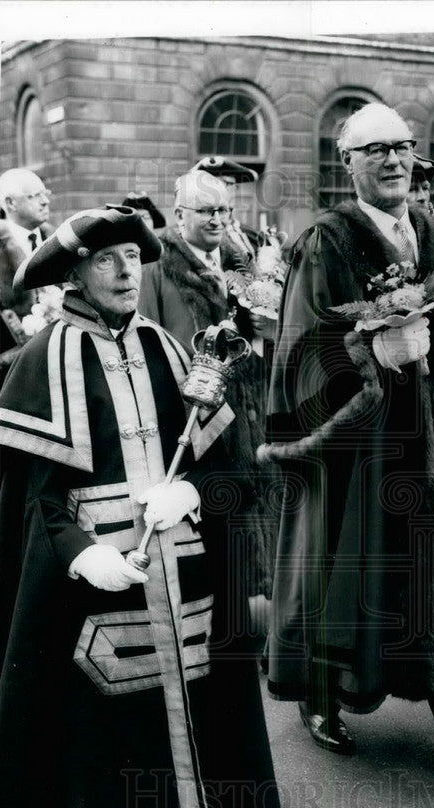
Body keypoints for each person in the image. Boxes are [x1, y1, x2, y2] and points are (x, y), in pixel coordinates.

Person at [0, 205, 281, 808]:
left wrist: (188, 492)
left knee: (191, 690)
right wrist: (77, 553)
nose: (127, 271)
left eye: (133, 257)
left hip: (181, 566)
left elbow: (229, 468)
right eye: (106, 260)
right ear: (76, 273)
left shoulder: (170, 347)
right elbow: (31, 500)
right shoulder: (44, 356)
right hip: (99, 575)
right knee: (112, 706)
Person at [260, 102, 434, 800]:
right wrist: (373, 349)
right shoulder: (326, 240)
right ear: (346, 164)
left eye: (403, 148)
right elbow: (297, 356)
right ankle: (322, 698)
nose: (392, 161)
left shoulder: (433, 233)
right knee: (349, 583)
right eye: (375, 150)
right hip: (363, 457)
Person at [138, 161, 279, 640]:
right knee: (214, 525)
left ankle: (259, 629)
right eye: (206, 211)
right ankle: (221, 632)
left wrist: (263, 333)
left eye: (225, 209)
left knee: (256, 517)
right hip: (193, 418)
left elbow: (266, 334)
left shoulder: (243, 260)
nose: (219, 219)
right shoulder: (155, 265)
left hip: (251, 412)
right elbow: (148, 342)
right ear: (180, 216)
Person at [0, 168, 53, 380]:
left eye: (45, 193)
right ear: (10, 203)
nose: (45, 202)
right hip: (13, 373)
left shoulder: (59, 240)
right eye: (34, 196)